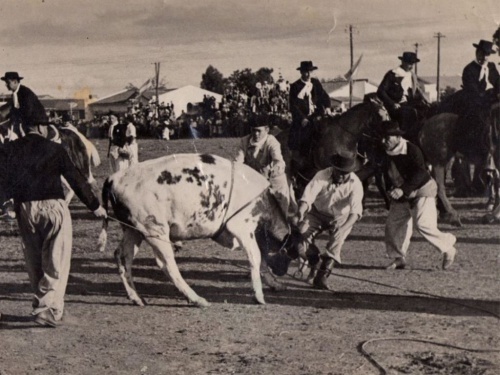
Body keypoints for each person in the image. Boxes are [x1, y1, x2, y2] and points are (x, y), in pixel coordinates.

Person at [0, 124, 107, 327]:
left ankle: (54, 310)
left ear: (22, 126)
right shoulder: (54, 148)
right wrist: (94, 206)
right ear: (41, 126)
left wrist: (5, 203)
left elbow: (3, 178)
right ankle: (44, 307)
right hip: (53, 206)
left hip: (24, 208)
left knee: (34, 260)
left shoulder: (11, 148)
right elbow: (75, 179)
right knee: (57, 258)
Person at [380, 121, 457, 270]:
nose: (384, 141)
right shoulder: (384, 151)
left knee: (423, 225)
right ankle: (399, 258)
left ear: (397, 137)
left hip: (422, 190)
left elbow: (421, 173)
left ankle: (448, 247)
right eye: (382, 138)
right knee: (393, 225)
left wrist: (403, 189)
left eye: (387, 138)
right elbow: (382, 170)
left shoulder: (412, 150)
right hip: (401, 194)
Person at [293, 152, 364, 290]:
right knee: (301, 236)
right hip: (317, 212)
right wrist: (301, 212)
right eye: (339, 171)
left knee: (337, 240)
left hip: (340, 217)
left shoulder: (356, 184)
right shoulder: (322, 175)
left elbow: (355, 213)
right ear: (333, 168)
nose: (342, 175)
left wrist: (342, 229)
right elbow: (308, 197)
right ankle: (314, 261)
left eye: (346, 173)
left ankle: (322, 276)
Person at [234, 113, 292, 221]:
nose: (256, 134)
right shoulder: (244, 141)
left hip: (275, 181)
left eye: (259, 131)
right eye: (253, 130)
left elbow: (279, 162)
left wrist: (271, 171)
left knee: (280, 218)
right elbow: (238, 163)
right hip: (253, 179)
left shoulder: (272, 142)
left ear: (267, 130)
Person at [377, 52, 429, 141]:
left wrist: (427, 102)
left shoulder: (412, 75)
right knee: (407, 113)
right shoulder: (393, 74)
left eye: (412, 64)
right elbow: (381, 91)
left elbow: (418, 90)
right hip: (394, 105)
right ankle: (404, 138)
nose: (411, 66)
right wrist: (392, 103)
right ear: (403, 62)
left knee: (425, 111)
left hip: (408, 103)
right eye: (409, 63)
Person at [288, 61, 331, 168]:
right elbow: (293, 106)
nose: (308, 74)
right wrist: (302, 118)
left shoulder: (316, 83)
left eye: (310, 71)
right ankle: (303, 159)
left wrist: (328, 107)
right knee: (303, 135)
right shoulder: (295, 86)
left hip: (317, 115)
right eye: (306, 72)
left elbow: (324, 96)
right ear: (301, 72)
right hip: (303, 118)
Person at [1, 71, 48, 139]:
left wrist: (13, 116)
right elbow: (10, 107)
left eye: (8, 82)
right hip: (26, 121)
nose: (6, 85)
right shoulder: (14, 94)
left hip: (36, 123)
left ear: (15, 82)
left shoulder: (26, 93)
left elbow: (27, 111)